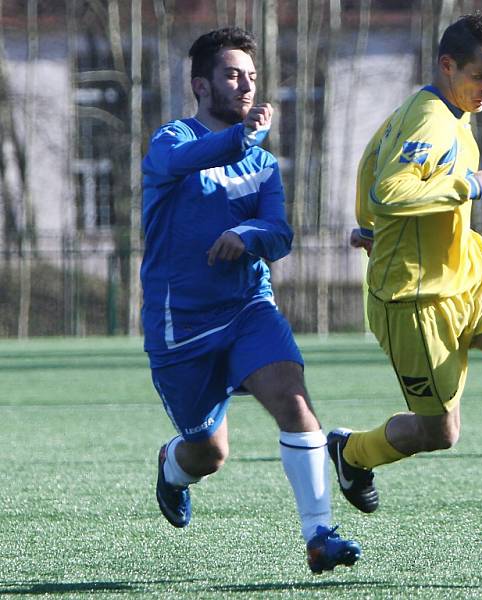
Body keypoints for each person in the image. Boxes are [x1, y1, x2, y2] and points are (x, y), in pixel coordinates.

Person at [329, 13, 482, 560]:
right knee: (439, 433)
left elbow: (370, 167)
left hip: (471, 277)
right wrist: (477, 183)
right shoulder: (429, 120)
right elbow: (392, 187)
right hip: (417, 301)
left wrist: (369, 226)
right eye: (481, 77)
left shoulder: (446, 110)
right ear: (447, 66)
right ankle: (352, 453)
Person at [139, 27, 360, 574]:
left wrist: (249, 237)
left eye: (252, 77)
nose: (246, 86)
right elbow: (192, 158)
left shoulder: (261, 164)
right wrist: (244, 140)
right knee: (208, 454)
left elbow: (279, 234)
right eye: (233, 75)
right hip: (179, 325)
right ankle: (173, 467)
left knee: (293, 399)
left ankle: (319, 534)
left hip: (247, 308)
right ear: (201, 85)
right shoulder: (171, 142)